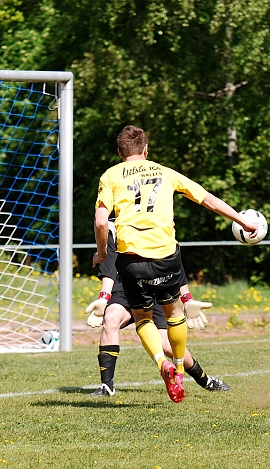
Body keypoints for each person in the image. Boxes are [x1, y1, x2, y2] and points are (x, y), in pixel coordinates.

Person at [94, 125, 258, 403]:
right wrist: (242, 220)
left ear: (120, 152)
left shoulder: (110, 175)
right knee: (174, 315)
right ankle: (179, 369)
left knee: (143, 319)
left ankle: (163, 364)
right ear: (146, 150)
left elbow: (101, 221)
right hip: (166, 257)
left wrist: (101, 252)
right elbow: (206, 198)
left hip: (132, 261)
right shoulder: (165, 172)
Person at [85, 220, 231, 397]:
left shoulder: (157, 220)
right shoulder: (113, 227)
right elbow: (109, 265)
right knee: (111, 317)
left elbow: (174, 265)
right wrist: (104, 297)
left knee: (167, 346)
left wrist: (187, 299)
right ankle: (107, 386)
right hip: (125, 286)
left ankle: (205, 379)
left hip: (153, 287)